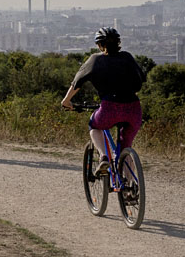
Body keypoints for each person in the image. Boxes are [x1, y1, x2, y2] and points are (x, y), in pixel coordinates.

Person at [61, 27, 145, 175]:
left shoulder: (95, 59)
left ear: (99, 45)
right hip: (134, 109)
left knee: (94, 126)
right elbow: (139, 81)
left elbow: (77, 82)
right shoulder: (127, 57)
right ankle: (131, 189)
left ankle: (103, 157)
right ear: (118, 43)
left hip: (109, 108)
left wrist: (66, 101)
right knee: (125, 147)